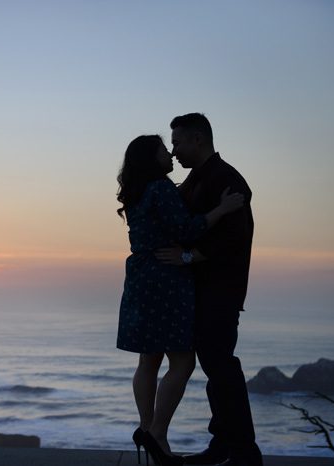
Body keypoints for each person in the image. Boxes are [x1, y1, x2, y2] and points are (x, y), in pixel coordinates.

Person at [115, 134, 244, 466]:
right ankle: (157, 433)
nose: (170, 154)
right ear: (151, 158)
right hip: (166, 277)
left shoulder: (136, 191)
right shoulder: (160, 188)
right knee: (183, 362)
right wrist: (222, 209)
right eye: (163, 150)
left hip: (140, 276)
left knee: (148, 361)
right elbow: (187, 230)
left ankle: (147, 429)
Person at [156, 113, 263, 466]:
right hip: (201, 289)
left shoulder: (226, 179)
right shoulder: (194, 180)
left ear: (197, 139)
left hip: (220, 289)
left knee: (222, 367)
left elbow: (236, 237)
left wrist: (189, 255)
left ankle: (245, 454)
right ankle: (223, 445)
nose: (174, 151)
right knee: (216, 368)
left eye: (178, 142)